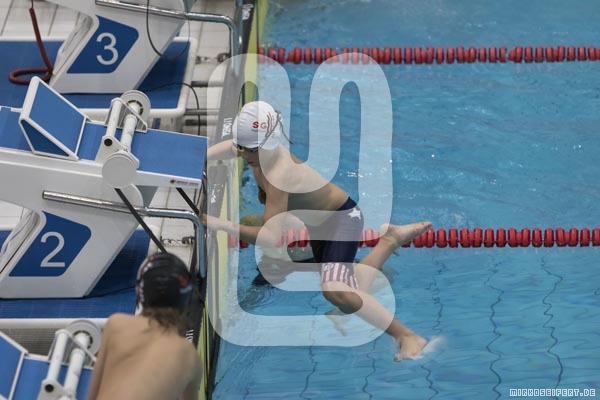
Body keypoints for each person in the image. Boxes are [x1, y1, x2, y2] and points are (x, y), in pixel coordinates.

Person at [205, 101, 432, 360]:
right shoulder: (258, 151)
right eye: (242, 147)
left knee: (336, 291)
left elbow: (271, 237)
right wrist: (202, 156)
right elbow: (232, 147)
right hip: (320, 223)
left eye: (250, 149)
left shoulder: (278, 173)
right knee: (346, 292)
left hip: (341, 220)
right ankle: (389, 241)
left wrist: (220, 224)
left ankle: (407, 336)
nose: (244, 154)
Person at [87, 253, 202, 400]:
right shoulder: (190, 356)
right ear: (186, 297)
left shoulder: (116, 325)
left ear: (139, 292)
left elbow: (92, 395)